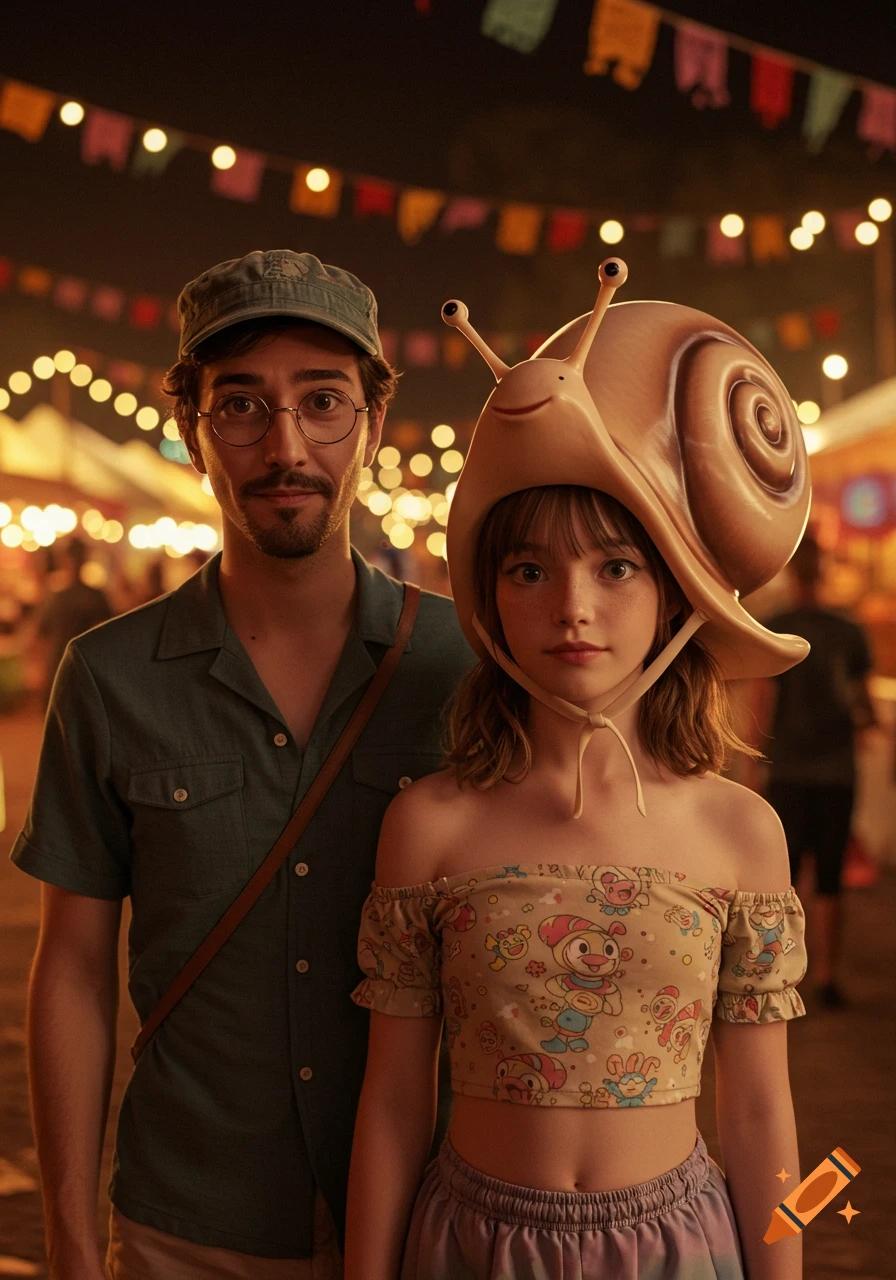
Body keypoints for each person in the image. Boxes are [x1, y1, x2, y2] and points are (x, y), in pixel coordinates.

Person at [12, 250, 473, 1279]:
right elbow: (76, 971)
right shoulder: (109, 675)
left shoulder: (469, 664)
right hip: (191, 1218)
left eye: (322, 401)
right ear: (192, 432)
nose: (285, 445)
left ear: (371, 423)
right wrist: (73, 1244)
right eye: (240, 406)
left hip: (437, 1220)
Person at [345, 260, 809, 1280]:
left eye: (614, 564)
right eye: (528, 568)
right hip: (466, 1243)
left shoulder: (740, 832)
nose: (572, 605)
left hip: (682, 1247)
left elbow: (760, 1107)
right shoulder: (428, 824)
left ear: (674, 588)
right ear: (487, 592)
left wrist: (783, 1268)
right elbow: (388, 1103)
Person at [760, 532, 875, 1010]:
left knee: (781, 877)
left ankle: (783, 972)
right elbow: (864, 704)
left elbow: (761, 706)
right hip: (833, 770)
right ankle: (825, 974)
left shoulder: (776, 627)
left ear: (789, 571)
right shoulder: (848, 632)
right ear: (824, 570)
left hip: (787, 768)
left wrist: (752, 768)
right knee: (829, 874)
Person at [34, 536, 112, 700]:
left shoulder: (90, 595)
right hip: (66, 664)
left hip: (81, 666)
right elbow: (42, 632)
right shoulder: (58, 595)